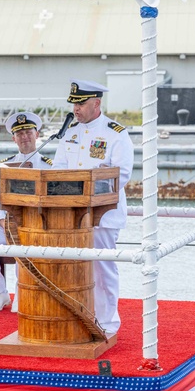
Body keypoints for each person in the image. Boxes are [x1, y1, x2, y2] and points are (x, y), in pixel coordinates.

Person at [52, 79, 134, 335]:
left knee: (101, 269)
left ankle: (107, 324)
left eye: (81, 104)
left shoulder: (115, 133)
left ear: (96, 103)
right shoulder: (71, 132)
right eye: (74, 104)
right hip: (69, 215)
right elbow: (58, 170)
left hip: (102, 216)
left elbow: (122, 175)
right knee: (72, 269)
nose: (76, 109)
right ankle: (79, 317)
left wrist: (91, 185)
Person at [0, 112, 53, 312]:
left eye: (28, 132)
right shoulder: (5, 166)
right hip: (8, 224)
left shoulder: (51, 167)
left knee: (24, 245)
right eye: (20, 134)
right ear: (13, 138)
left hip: (37, 226)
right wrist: (2, 221)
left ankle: (22, 293)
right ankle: (0, 294)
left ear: (37, 134)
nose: (24, 137)